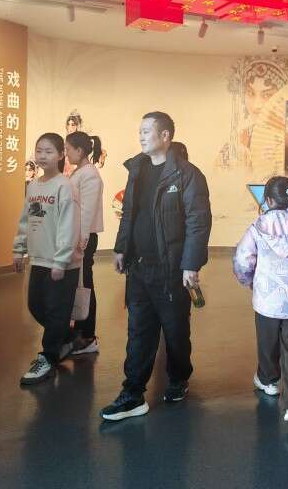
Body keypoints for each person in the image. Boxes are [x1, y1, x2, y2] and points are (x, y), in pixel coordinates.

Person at [101, 112, 211, 421]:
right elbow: (129, 213)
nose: (141, 135)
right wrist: (122, 248)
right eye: (140, 130)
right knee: (138, 331)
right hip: (138, 267)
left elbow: (198, 222)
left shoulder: (187, 174)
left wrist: (191, 264)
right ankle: (133, 393)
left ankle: (178, 378)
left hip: (171, 270)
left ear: (165, 136)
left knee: (175, 331)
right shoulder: (137, 169)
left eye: (147, 130)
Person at [233, 176, 288, 424]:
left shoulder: (257, 227)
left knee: (267, 342)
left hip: (266, 300)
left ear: (268, 200)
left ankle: (269, 381)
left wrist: (248, 281)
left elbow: (242, 260)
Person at [12, 133, 82, 385]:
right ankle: (67, 337)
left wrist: (61, 260)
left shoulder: (65, 186)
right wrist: (19, 249)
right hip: (39, 259)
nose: (42, 156)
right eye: (39, 150)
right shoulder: (33, 186)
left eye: (49, 151)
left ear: (61, 155)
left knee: (55, 310)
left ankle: (48, 358)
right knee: (36, 306)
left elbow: (68, 225)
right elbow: (27, 219)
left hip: (60, 262)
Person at [64, 132, 105, 356]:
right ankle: (80, 331)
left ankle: (88, 337)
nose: (66, 153)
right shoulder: (81, 172)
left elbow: (86, 212)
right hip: (77, 236)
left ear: (79, 151)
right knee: (79, 284)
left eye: (68, 149)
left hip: (83, 238)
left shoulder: (89, 174)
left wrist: (80, 242)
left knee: (84, 285)